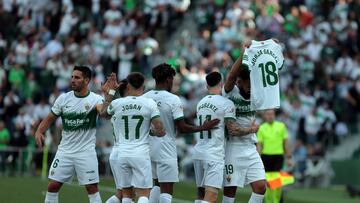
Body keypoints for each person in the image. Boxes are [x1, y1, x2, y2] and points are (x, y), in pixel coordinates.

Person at [34, 66, 118, 203]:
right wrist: (39, 131)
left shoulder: (95, 99)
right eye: (72, 77)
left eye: (77, 77)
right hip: (65, 151)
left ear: (86, 80)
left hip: (85, 152)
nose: (73, 80)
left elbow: (105, 114)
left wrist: (110, 93)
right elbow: (49, 118)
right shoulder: (63, 99)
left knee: (91, 188)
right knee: (53, 185)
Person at [142, 63, 220, 203]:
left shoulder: (145, 97)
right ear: (168, 80)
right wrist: (203, 127)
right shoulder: (173, 99)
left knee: (156, 184)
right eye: (173, 78)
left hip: (149, 148)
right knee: (167, 190)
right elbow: (182, 128)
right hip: (165, 148)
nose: (173, 81)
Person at [193, 71, 259, 203]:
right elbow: (233, 130)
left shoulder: (200, 103)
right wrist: (251, 129)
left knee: (201, 195)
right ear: (221, 83)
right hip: (214, 154)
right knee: (211, 196)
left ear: (207, 86)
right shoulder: (226, 103)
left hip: (198, 152)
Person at [100, 72, 166, 203]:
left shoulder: (118, 103)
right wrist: (153, 132)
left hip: (122, 154)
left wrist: (112, 91)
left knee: (126, 194)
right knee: (143, 194)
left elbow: (103, 113)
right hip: (140, 154)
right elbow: (160, 129)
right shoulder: (149, 103)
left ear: (128, 85)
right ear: (143, 86)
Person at [222, 45, 267, 203]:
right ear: (239, 82)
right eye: (247, 84)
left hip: (250, 147)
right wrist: (243, 54)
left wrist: (270, 46)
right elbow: (231, 76)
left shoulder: (255, 94)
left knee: (261, 187)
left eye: (251, 84)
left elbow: (265, 71)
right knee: (230, 190)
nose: (249, 88)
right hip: (232, 147)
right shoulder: (229, 93)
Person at [257, 109, 292, 203]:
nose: (270, 116)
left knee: (276, 182)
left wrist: (289, 158)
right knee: (267, 181)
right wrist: (258, 159)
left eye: (272, 114)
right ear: (264, 116)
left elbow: (286, 143)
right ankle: (268, 200)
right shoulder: (261, 128)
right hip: (266, 157)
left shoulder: (281, 126)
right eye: (268, 114)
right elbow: (259, 145)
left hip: (278, 156)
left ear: (274, 115)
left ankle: (276, 200)